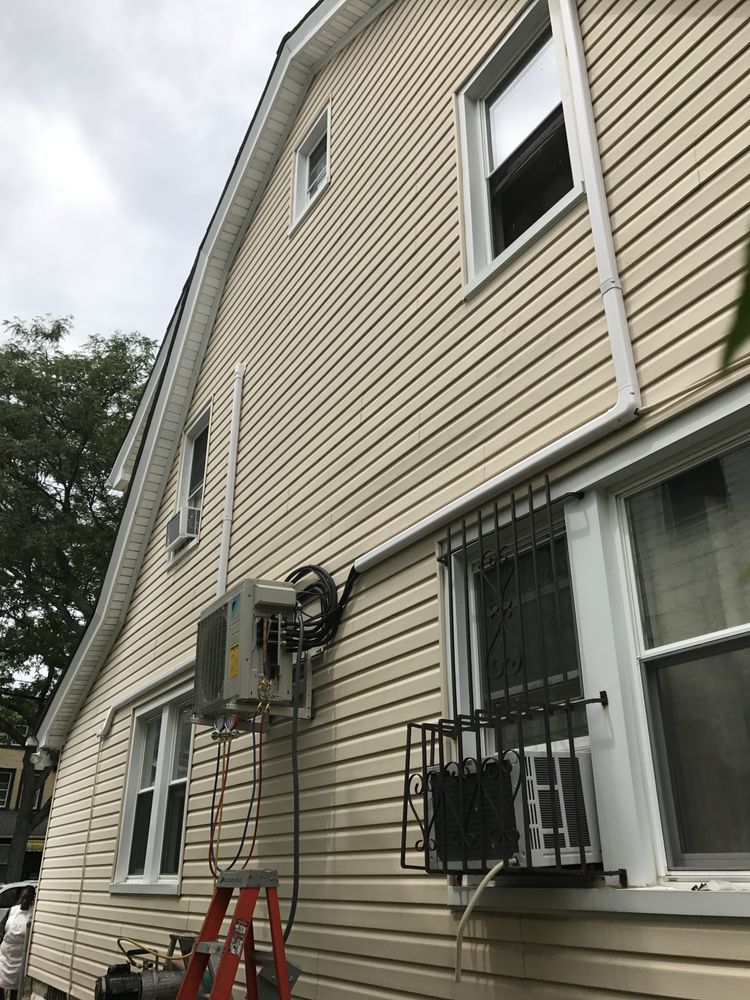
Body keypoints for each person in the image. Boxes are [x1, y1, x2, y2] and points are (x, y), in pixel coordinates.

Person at [0, 886, 36, 1000]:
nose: (24, 901)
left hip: (19, 958)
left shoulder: (33, 914)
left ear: (32, 899)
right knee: (0, 981)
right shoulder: (12, 910)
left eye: (27, 899)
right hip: (4, 955)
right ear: (20, 897)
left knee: (16, 986)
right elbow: (2, 926)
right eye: (23, 898)